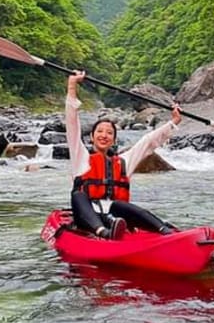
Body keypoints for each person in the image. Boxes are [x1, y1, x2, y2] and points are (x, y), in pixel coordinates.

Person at [66, 71, 181, 240]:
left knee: (122, 205)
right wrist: (72, 85)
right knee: (78, 195)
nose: (104, 135)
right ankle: (104, 232)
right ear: (91, 137)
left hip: (115, 215)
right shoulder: (80, 156)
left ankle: (166, 233)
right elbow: (72, 123)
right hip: (88, 218)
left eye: (109, 133)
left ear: (114, 140)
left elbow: (148, 142)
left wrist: (174, 122)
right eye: (99, 132)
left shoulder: (123, 162)